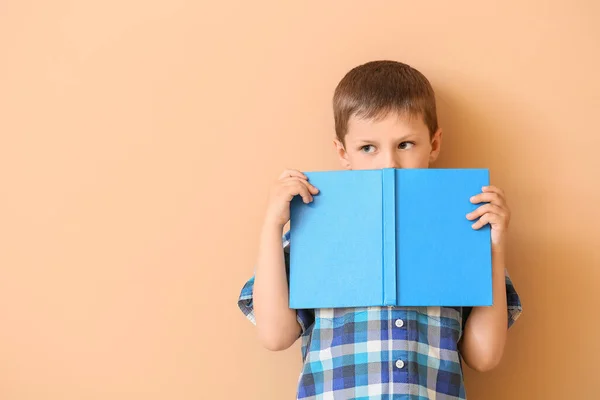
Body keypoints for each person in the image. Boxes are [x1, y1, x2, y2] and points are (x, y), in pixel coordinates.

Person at [237, 60, 522, 399]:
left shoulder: (463, 225)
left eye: (405, 144)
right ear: (343, 152)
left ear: (433, 144)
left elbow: (484, 356)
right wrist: (272, 225)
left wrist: (495, 245)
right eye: (368, 148)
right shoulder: (313, 227)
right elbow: (275, 336)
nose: (388, 163)